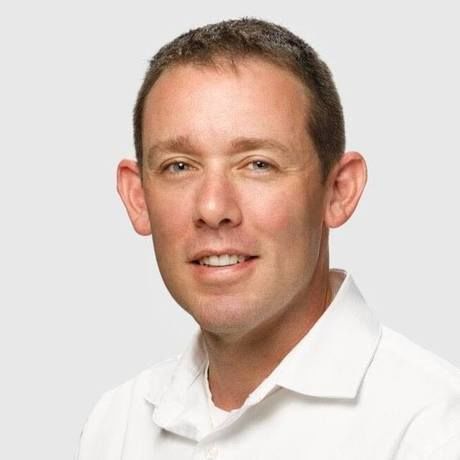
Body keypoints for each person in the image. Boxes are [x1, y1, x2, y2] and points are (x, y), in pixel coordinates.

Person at [77, 18, 460, 459]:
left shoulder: (432, 431)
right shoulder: (115, 426)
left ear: (339, 191)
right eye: (179, 166)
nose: (213, 208)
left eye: (258, 164)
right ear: (138, 197)